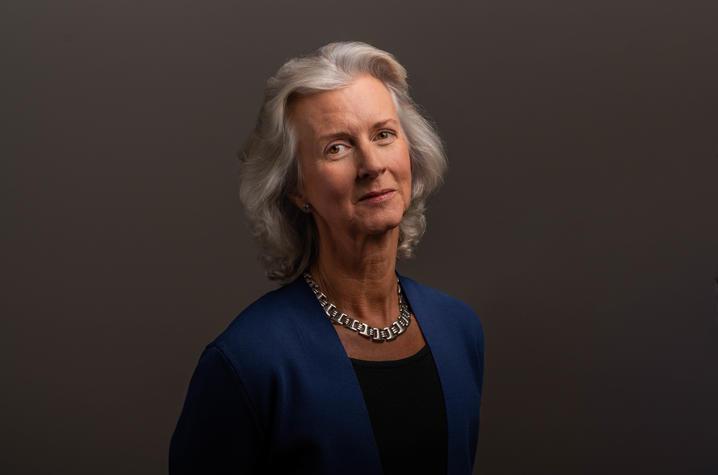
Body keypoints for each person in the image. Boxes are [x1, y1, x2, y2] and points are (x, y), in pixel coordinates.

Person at [169, 41, 485, 475]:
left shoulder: (459, 330)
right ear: (297, 189)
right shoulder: (249, 362)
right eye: (336, 147)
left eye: (383, 135)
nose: (372, 164)